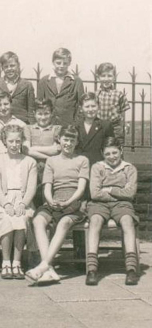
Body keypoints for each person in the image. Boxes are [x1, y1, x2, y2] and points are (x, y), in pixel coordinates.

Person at [26, 125, 89, 284]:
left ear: (76, 142)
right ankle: (49, 269)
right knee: (38, 220)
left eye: (72, 140)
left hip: (74, 201)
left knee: (64, 222)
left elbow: (81, 188)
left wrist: (68, 201)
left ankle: (43, 266)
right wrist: (50, 200)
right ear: (59, 140)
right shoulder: (51, 161)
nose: (68, 143)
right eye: (65, 139)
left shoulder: (82, 160)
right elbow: (47, 186)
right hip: (54, 200)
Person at [85, 137, 139, 286]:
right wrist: (120, 192)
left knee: (128, 222)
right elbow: (95, 193)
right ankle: (92, 269)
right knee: (95, 221)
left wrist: (109, 189)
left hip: (122, 204)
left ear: (121, 151)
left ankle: (131, 269)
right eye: (107, 154)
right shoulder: (97, 167)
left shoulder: (129, 168)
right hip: (99, 204)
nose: (112, 157)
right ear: (102, 153)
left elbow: (130, 193)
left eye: (115, 152)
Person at [0, 125, 37, 279]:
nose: (14, 145)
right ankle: (6, 263)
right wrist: (7, 204)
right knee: (8, 219)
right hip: (4, 201)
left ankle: (17, 262)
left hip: (23, 201)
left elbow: (31, 187)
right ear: (4, 141)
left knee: (21, 219)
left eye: (18, 141)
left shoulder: (30, 161)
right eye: (11, 141)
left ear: (22, 141)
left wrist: (23, 204)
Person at [23, 98, 61, 206]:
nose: (43, 117)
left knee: (48, 196)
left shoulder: (57, 129)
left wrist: (33, 148)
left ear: (52, 113)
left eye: (46, 113)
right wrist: (48, 155)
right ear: (34, 114)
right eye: (40, 114)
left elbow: (56, 150)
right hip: (32, 168)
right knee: (32, 196)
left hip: (51, 169)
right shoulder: (28, 128)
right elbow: (26, 150)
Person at [36, 48, 85, 126]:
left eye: (65, 63)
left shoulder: (76, 81)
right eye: (58, 63)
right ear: (53, 62)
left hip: (68, 126)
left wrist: (75, 124)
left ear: (69, 63)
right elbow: (39, 104)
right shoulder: (44, 81)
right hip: (48, 125)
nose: (61, 66)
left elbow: (81, 106)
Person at [0, 52, 35, 124]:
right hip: (0, 122)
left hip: (21, 123)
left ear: (18, 65)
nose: (9, 69)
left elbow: (31, 110)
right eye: (6, 66)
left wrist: (31, 127)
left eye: (12, 66)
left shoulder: (27, 85)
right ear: (2, 68)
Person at [75, 93, 115, 166]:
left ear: (98, 107)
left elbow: (111, 148)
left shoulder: (105, 126)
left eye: (93, 106)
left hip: (98, 166)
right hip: (79, 165)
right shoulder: (75, 126)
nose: (90, 109)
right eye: (87, 107)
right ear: (81, 109)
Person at [94, 62, 128, 144]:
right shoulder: (95, 94)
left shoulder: (119, 94)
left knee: (117, 149)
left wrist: (124, 125)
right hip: (100, 127)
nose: (106, 79)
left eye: (109, 76)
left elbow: (123, 112)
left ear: (114, 78)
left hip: (115, 128)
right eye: (103, 76)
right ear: (98, 77)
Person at [0, 91, 27, 158]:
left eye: (6, 104)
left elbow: (24, 147)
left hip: (15, 160)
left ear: (11, 104)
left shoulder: (21, 124)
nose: (3, 108)